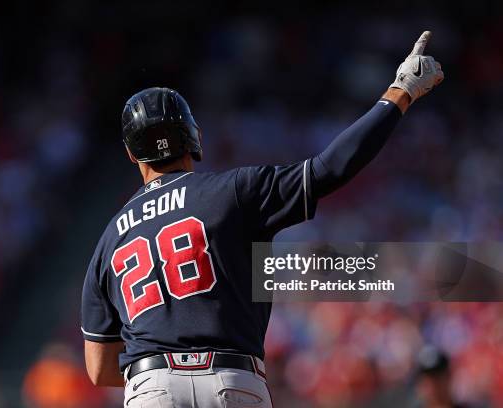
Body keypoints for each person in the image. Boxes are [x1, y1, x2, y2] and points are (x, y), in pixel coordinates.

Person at [81, 31, 444, 407]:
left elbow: (99, 367)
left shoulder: (110, 238)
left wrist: (158, 366)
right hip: (231, 377)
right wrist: (402, 91)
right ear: (192, 136)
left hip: (151, 387)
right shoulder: (232, 190)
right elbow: (330, 169)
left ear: (131, 154)